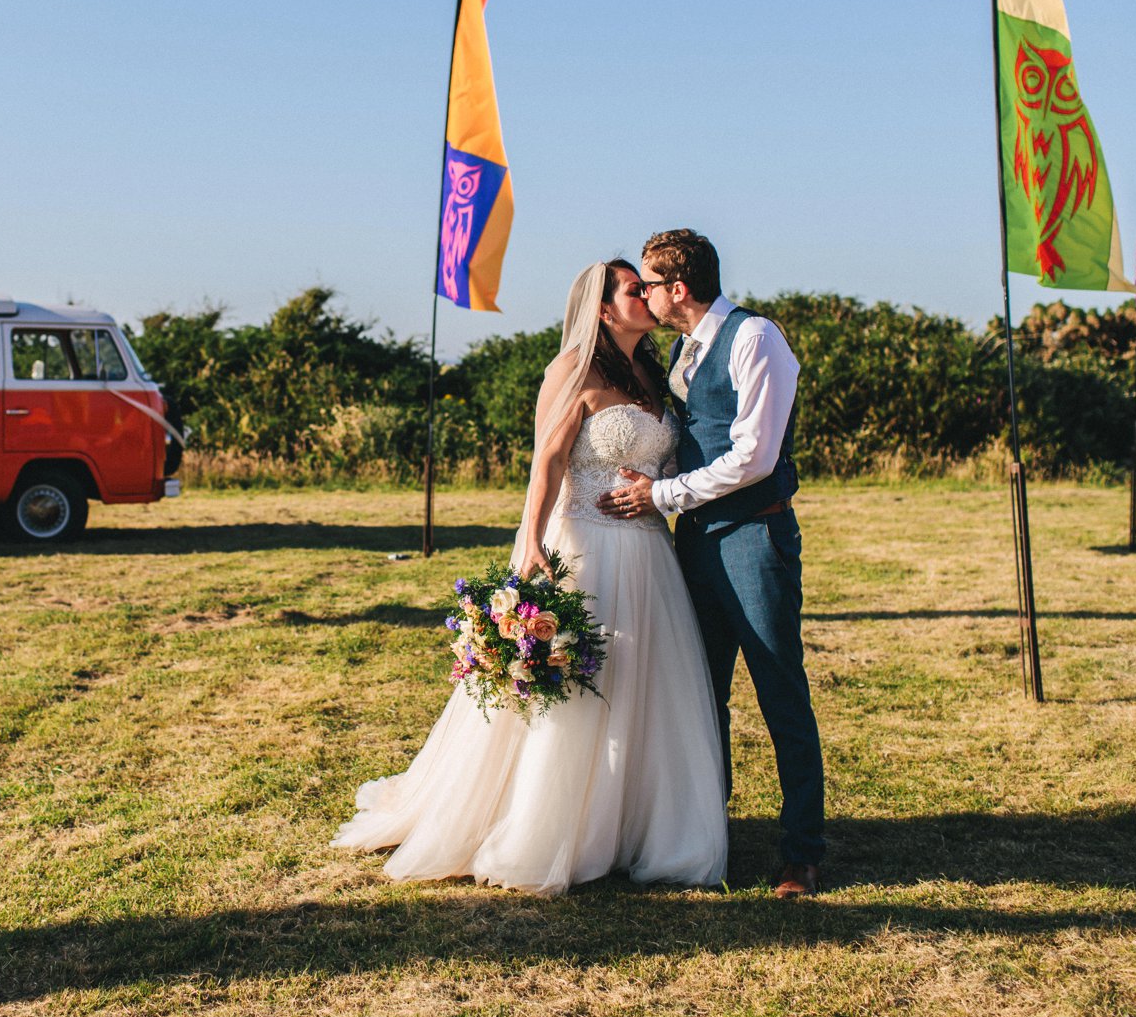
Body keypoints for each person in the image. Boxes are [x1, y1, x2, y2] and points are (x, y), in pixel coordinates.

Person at [331, 259, 728, 895]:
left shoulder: (655, 371)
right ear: (603, 309)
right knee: (577, 694)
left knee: (646, 691)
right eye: (635, 290)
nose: (648, 297)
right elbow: (545, 462)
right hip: (588, 546)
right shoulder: (573, 369)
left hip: (651, 554)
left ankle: (634, 828)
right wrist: (530, 543)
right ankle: (550, 826)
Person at [596, 228, 826, 898]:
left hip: (754, 537)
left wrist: (661, 493)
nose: (644, 294)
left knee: (781, 692)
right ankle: (709, 837)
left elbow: (754, 453)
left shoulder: (757, 339)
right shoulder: (682, 353)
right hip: (694, 544)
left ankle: (802, 852)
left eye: (649, 284)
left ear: (680, 288)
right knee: (703, 698)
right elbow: (695, 442)